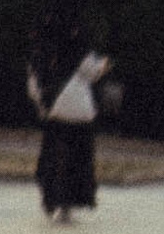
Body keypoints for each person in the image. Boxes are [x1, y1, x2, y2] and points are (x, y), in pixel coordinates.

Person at [27, 25, 111, 223]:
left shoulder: (42, 54)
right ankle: (70, 202)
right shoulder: (80, 52)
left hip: (55, 114)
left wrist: (43, 107)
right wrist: (105, 65)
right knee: (77, 159)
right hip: (80, 114)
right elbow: (94, 71)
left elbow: (34, 83)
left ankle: (50, 198)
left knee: (52, 158)